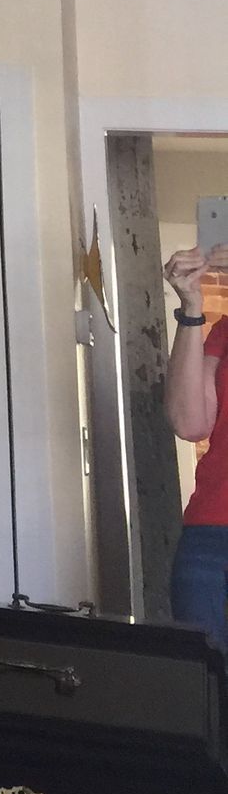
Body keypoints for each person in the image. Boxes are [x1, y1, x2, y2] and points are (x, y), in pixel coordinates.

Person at [164, 242, 228, 640]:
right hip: (210, 540)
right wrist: (190, 309)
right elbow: (189, 423)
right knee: (205, 690)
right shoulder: (225, 332)